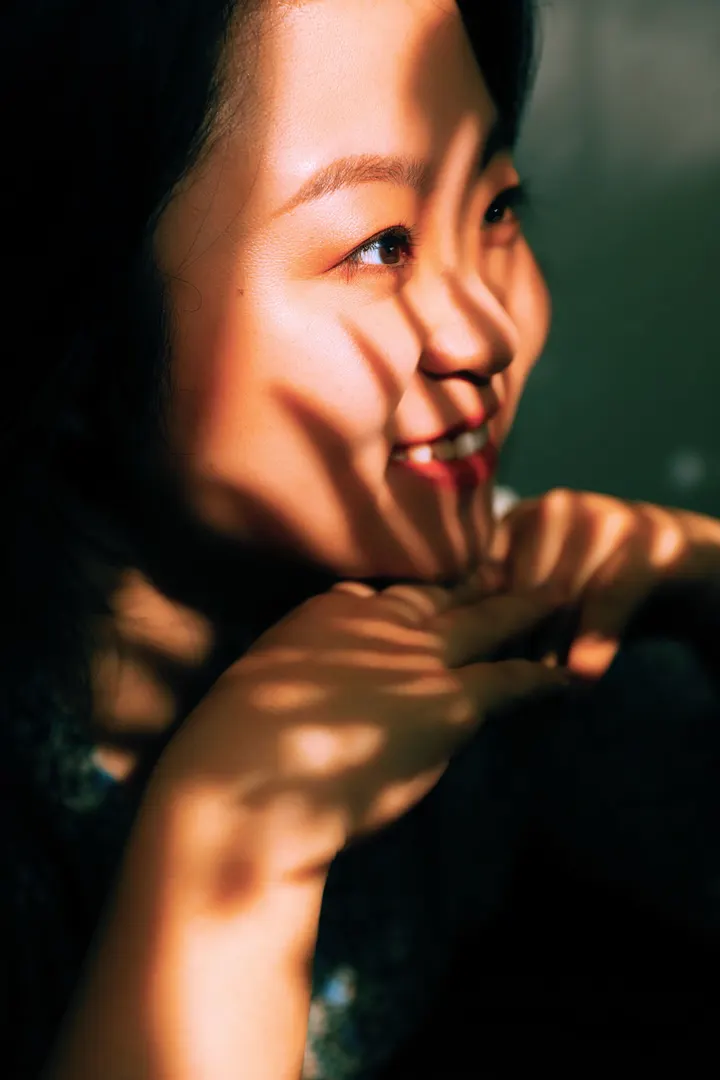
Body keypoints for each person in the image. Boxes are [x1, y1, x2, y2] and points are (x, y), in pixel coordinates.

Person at [3, 1, 720, 1077]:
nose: (488, 331)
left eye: (496, 206)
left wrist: (708, 593)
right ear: (74, 315)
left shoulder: (492, 636)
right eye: (380, 245)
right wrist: (234, 863)